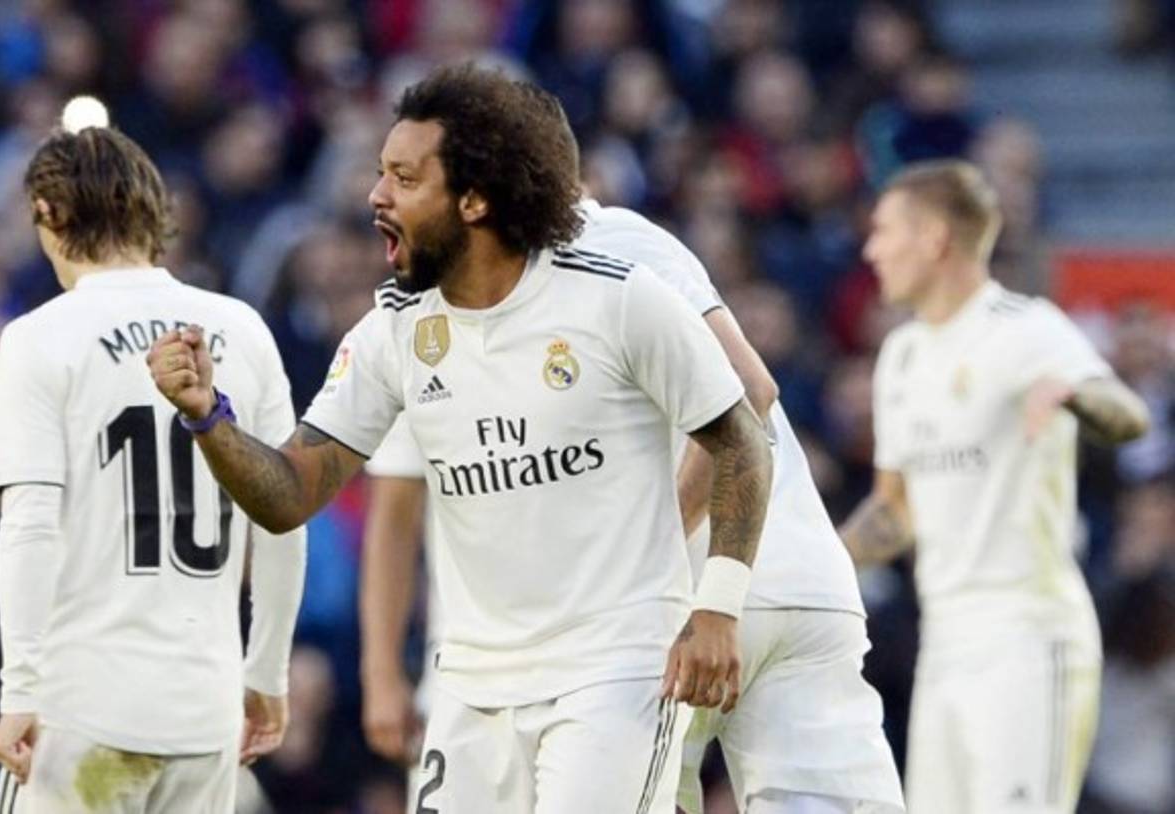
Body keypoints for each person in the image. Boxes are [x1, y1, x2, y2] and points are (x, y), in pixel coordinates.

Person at [147, 64, 772, 813]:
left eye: (404, 179)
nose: (376, 196)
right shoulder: (393, 333)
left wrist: (717, 610)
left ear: (474, 199)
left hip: (615, 672)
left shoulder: (616, 299)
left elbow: (742, 437)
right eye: (380, 174)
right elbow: (289, 494)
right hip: (469, 686)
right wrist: (207, 418)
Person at [360, 197, 906, 814]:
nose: (385, 193)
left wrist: (653, 546)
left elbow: (748, 390)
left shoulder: (556, 266)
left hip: (659, 608)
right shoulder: (632, 242)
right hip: (801, 583)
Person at [0, 124, 306, 813]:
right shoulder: (242, 329)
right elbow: (285, 516)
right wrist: (267, 672)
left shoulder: (39, 338)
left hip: (83, 715)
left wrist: (21, 690)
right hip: (204, 712)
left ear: (48, 215)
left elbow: (31, 524)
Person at [843, 159, 1150, 814]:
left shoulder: (1023, 327)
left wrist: (1073, 393)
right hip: (945, 641)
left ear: (933, 239)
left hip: (1026, 633)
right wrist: (813, 567)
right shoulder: (902, 356)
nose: (872, 250)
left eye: (884, 231)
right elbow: (895, 514)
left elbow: (1128, 415)